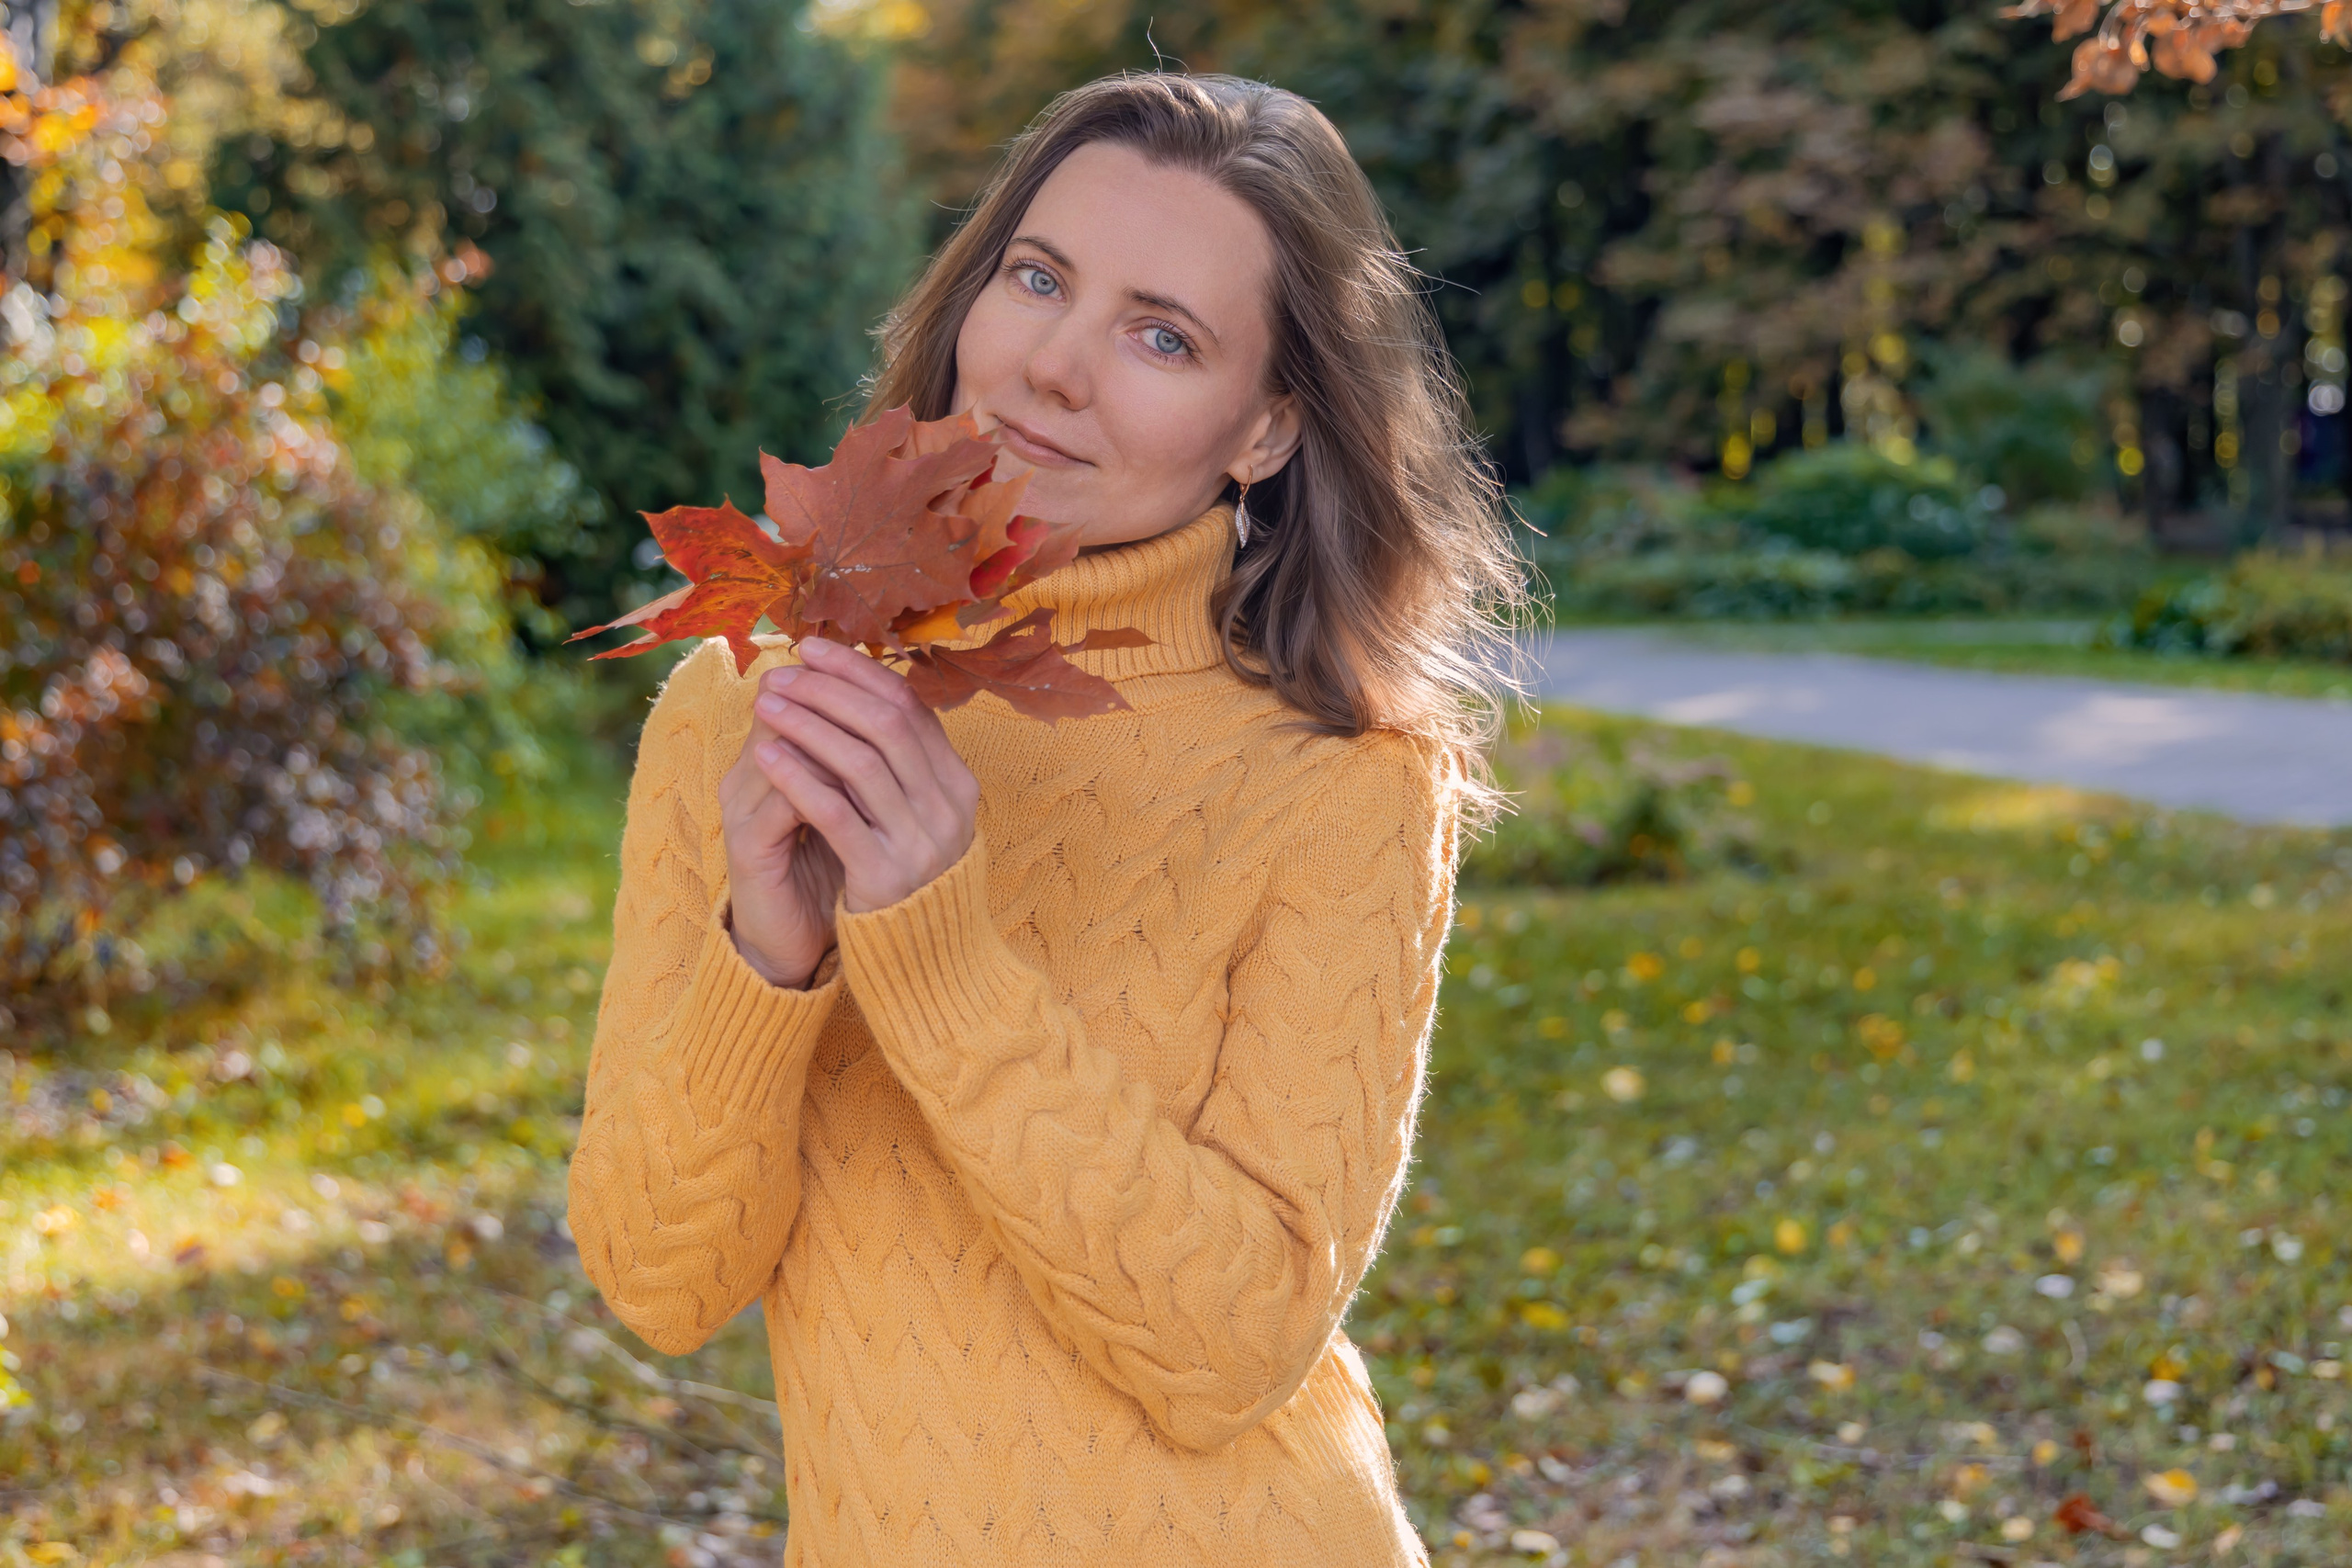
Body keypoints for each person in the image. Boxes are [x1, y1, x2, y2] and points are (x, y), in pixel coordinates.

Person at [567, 71, 1521, 1566]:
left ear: (1266, 430)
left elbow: (1233, 1353)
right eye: (1037, 277)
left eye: (1162, 335)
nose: (1054, 369)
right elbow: (658, 1281)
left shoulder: (1344, 779)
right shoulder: (748, 709)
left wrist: (942, 958)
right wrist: (769, 955)